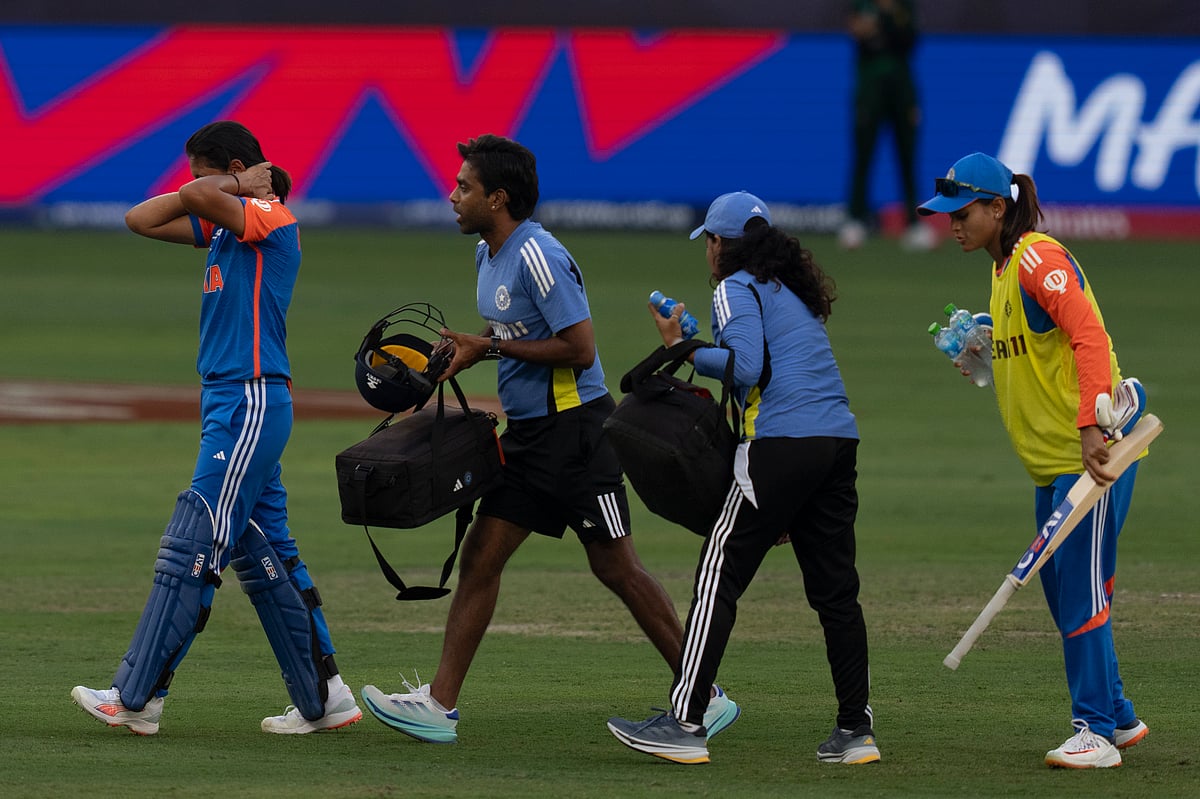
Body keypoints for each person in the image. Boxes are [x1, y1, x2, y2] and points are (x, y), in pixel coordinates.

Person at [359, 134, 740, 745]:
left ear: (499, 199)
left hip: (579, 434)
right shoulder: (488, 254)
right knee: (483, 556)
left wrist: (492, 346)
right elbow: (512, 325)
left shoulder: (540, 254)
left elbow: (580, 347)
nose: (453, 196)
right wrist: (471, 349)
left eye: (465, 187)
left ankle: (705, 694)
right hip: (531, 440)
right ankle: (438, 706)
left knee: (617, 567)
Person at [71, 120, 362, 736]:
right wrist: (221, 184)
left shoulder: (268, 220)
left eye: (199, 168)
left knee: (192, 542)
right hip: (234, 402)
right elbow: (140, 219)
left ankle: (135, 697)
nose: (190, 182)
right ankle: (325, 697)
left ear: (229, 167)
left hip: (249, 400)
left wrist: (233, 185)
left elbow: (201, 196)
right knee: (267, 551)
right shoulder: (230, 227)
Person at [607, 191, 877, 766]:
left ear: (720, 245)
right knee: (836, 593)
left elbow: (748, 368)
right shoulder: (788, 290)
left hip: (781, 443)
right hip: (837, 443)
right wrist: (702, 344)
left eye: (708, 241)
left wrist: (682, 347)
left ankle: (685, 722)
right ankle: (856, 731)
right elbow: (761, 361)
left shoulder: (733, 286)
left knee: (716, 577)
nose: (707, 252)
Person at [918, 152, 1149, 769]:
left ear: (999, 208)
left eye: (962, 213)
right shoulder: (1001, 269)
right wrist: (988, 348)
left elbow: (1089, 335)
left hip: (1092, 459)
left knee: (1081, 592)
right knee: (1062, 591)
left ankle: (1095, 732)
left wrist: (1091, 429)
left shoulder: (1036, 259)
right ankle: (1119, 715)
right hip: (1052, 467)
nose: (953, 225)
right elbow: (1042, 350)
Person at [837, 0, 935, 251]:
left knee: (907, 158)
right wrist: (877, 27)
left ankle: (913, 224)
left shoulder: (904, 6)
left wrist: (883, 24)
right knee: (863, 157)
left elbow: (909, 41)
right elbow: (860, 35)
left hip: (902, 92)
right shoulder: (863, 4)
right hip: (870, 91)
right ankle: (854, 220)